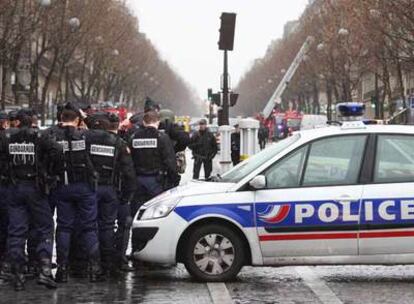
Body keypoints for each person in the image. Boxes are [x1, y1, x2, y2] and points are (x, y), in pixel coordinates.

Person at [4, 109, 60, 291]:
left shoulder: (7, 137)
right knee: (44, 227)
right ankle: (44, 270)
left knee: (16, 230)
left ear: (18, 122)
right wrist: (50, 173)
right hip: (36, 187)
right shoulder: (40, 137)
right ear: (33, 121)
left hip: (15, 187)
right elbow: (58, 151)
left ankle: (17, 273)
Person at [51, 107, 104, 284]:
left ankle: (62, 269)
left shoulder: (53, 136)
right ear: (76, 120)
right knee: (89, 227)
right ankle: (94, 268)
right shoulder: (84, 136)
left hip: (63, 186)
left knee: (64, 227)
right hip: (84, 187)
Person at [86, 112, 136, 274]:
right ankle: (107, 263)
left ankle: (92, 263)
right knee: (107, 227)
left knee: (90, 226)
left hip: (91, 188)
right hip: (110, 189)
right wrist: (126, 196)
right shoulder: (118, 144)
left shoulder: (86, 140)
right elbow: (128, 172)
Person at [129, 110, 178, 254]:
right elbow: (170, 162)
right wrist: (174, 181)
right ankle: (156, 251)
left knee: (137, 216)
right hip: (156, 182)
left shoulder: (134, 137)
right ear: (157, 122)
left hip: (138, 181)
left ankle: (137, 249)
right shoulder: (162, 138)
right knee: (157, 217)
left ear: (144, 122)